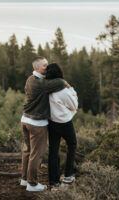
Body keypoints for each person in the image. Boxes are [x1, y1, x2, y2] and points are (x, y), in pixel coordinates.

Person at [20, 56, 68, 192]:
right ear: (36, 68)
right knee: (37, 154)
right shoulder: (40, 84)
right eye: (44, 66)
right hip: (36, 123)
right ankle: (32, 184)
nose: (47, 68)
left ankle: (24, 179)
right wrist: (65, 82)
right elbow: (59, 82)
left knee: (27, 151)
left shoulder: (30, 79)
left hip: (25, 120)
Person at [46, 63, 78, 191]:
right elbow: (74, 105)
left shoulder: (46, 89)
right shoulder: (64, 90)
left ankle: (53, 182)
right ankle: (68, 176)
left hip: (51, 122)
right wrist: (71, 88)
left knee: (53, 150)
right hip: (64, 122)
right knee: (72, 144)